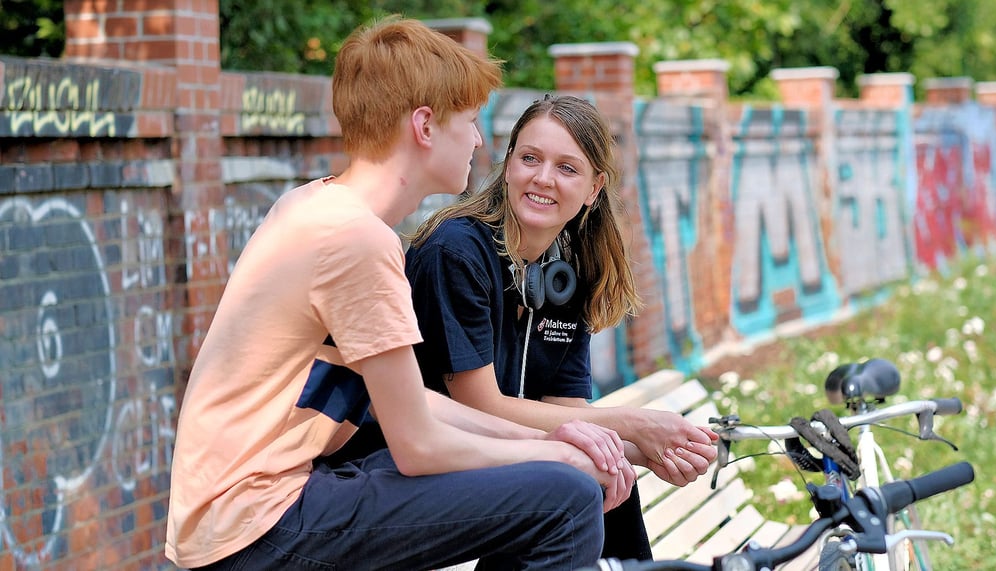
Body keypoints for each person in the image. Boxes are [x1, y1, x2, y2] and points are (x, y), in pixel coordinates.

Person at [165, 20, 636, 571]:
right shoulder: (355, 240)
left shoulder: (317, 210)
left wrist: (562, 439)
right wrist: (556, 455)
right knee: (567, 498)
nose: (480, 140)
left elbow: (416, 406)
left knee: (566, 475)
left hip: (258, 508)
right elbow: (419, 448)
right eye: (471, 121)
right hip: (256, 524)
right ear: (425, 127)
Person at [403, 94, 720, 561]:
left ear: (595, 188)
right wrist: (632, 424)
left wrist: (650, 448)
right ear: (508, 164)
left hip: (497, 458)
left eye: (567, 168)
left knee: (602, 469)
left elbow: (566, 411)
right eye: (530, 158)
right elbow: (480, 404)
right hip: (420, 464)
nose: (543, 178)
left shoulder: (564, 273)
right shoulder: (455, 252)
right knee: (571, 480)